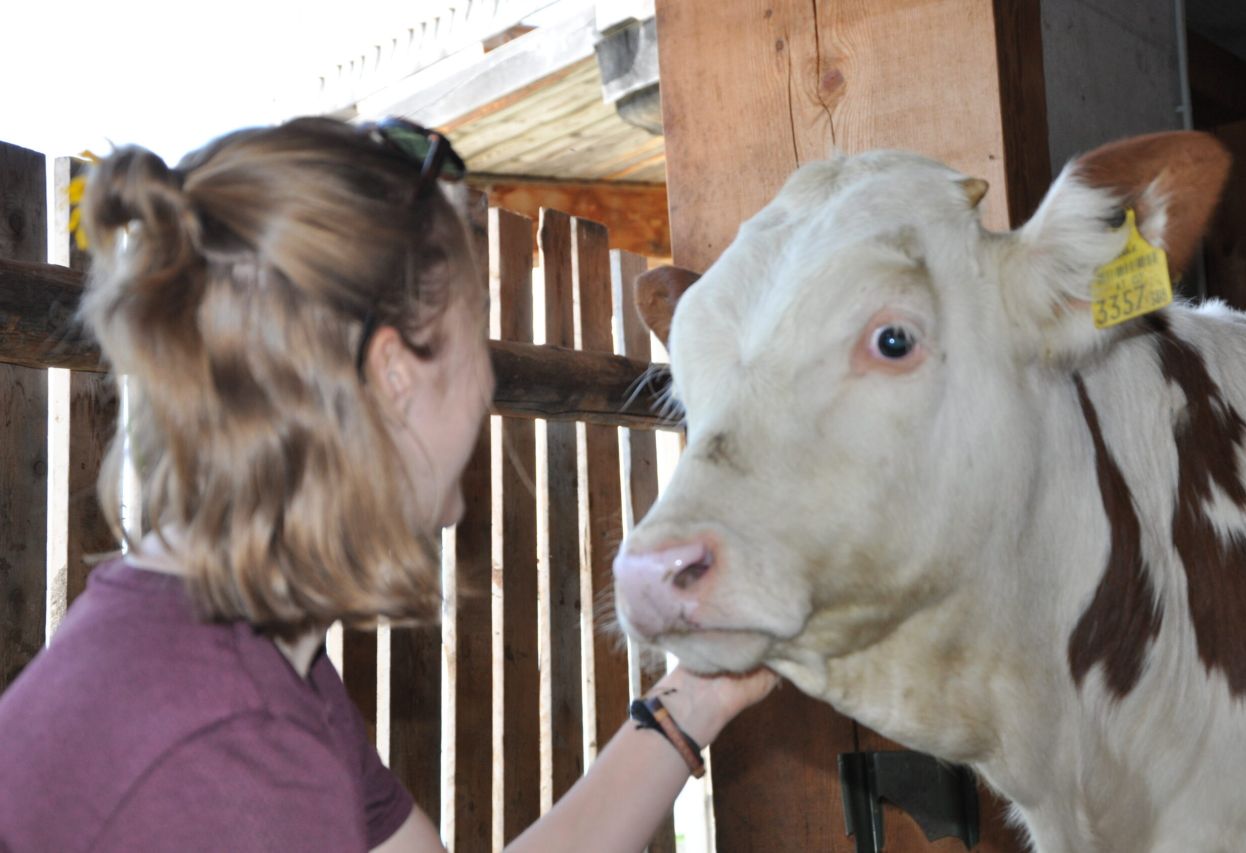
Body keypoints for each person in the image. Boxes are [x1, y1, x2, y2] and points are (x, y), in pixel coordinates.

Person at [0, 117, 776, 851]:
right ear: (395, 373)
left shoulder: (237, 654)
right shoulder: (228, 748)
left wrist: (702, 695)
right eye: (476, 336)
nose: (485, 387)